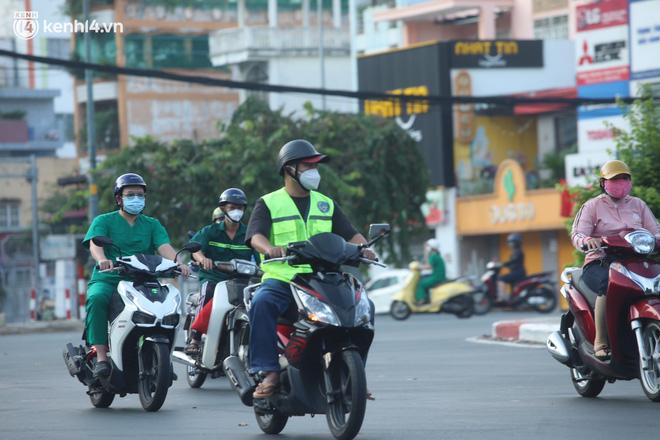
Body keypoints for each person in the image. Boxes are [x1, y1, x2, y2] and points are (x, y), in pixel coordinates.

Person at [245, 139, 377, 399]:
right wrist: (269, 248)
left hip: (324, 277)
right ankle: (268, 371)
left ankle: (355, 374)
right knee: (262, 302)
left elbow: (352, 235)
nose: (314, 171)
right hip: (284, 278)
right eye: (308, 165)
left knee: (365, 309)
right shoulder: (269, 202)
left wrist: (365, 249)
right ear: (289, 169)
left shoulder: (325, 203)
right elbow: (255, 236)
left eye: (316, 166)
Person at [83, 173, 190, 378]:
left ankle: (162, 358)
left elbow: (164, 247)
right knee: (96, 299)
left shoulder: (152, 224)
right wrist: (102, 260)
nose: (136, 199)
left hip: (143, 280)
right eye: (130, 194)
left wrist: (179, 263)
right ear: (119, 199)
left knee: (165, 307)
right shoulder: (104, 221)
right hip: (110, 278)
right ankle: (103, 357)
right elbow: (95, 244)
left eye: (140, 195)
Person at [571, 159, 659, 361]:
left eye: (624, 178)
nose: (620, 182)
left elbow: (656, 232)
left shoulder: (638, 205)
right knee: (607, 286)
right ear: (603, 183)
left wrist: (655, 240)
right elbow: (577, 234)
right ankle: (601, 342)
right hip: (601, 262)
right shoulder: (592, 206)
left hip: (634, 262)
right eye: (614, 179)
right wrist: (587, 241)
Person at [184, 188, 260, 355]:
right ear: (223, 208)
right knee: (209, 291)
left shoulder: (248, 233)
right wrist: (203, 259)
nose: (237, 211)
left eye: (240, 208)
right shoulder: (210, 231)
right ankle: (194, 338)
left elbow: (260, 255)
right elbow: (195, 249)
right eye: (232, 207)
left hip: (241, 280)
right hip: (213, 278)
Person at [415, 238, 447, 304]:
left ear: (431, 247)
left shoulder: (434, 256)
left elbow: (428, 266)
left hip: (436, 277)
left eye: (427, 246)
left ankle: (421, 300)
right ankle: (427, 299)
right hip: (438, 276)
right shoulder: (436, 255)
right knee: (424, 278)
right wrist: (426, 253)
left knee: (421, 284)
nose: (426, 247)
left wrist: (419, 267)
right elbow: (427, 263)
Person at [497, 233, 526, 303]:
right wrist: (504, 265)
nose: (510, 244)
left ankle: (502, 297)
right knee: (509, 283)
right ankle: (511, 299)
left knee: (501, 278)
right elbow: (513, 263)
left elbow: (513, 261)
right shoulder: (515, 252)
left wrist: (503, 264)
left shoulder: (519, 252)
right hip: (515, 272)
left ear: (516, 243)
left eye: (511, 242)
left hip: (518, 273)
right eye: (509, 242)